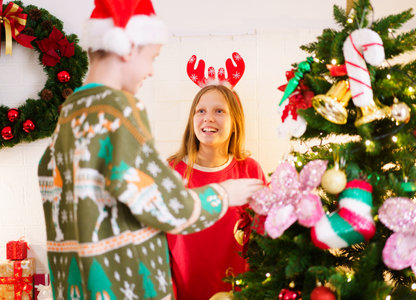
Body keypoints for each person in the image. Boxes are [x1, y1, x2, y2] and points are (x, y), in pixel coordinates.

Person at [36, 1, 263, 299]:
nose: (152, 71)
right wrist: (226, 194)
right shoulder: (116, 112)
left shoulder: (70, 116)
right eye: (151, 57)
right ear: (128, 50)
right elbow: (167, 205)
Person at [166, 65, 267, 299]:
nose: (208, 118)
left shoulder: (250, 170)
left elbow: (262, 242)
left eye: (219, 111)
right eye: (200, 111)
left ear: (235, 123)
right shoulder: (170, 171)